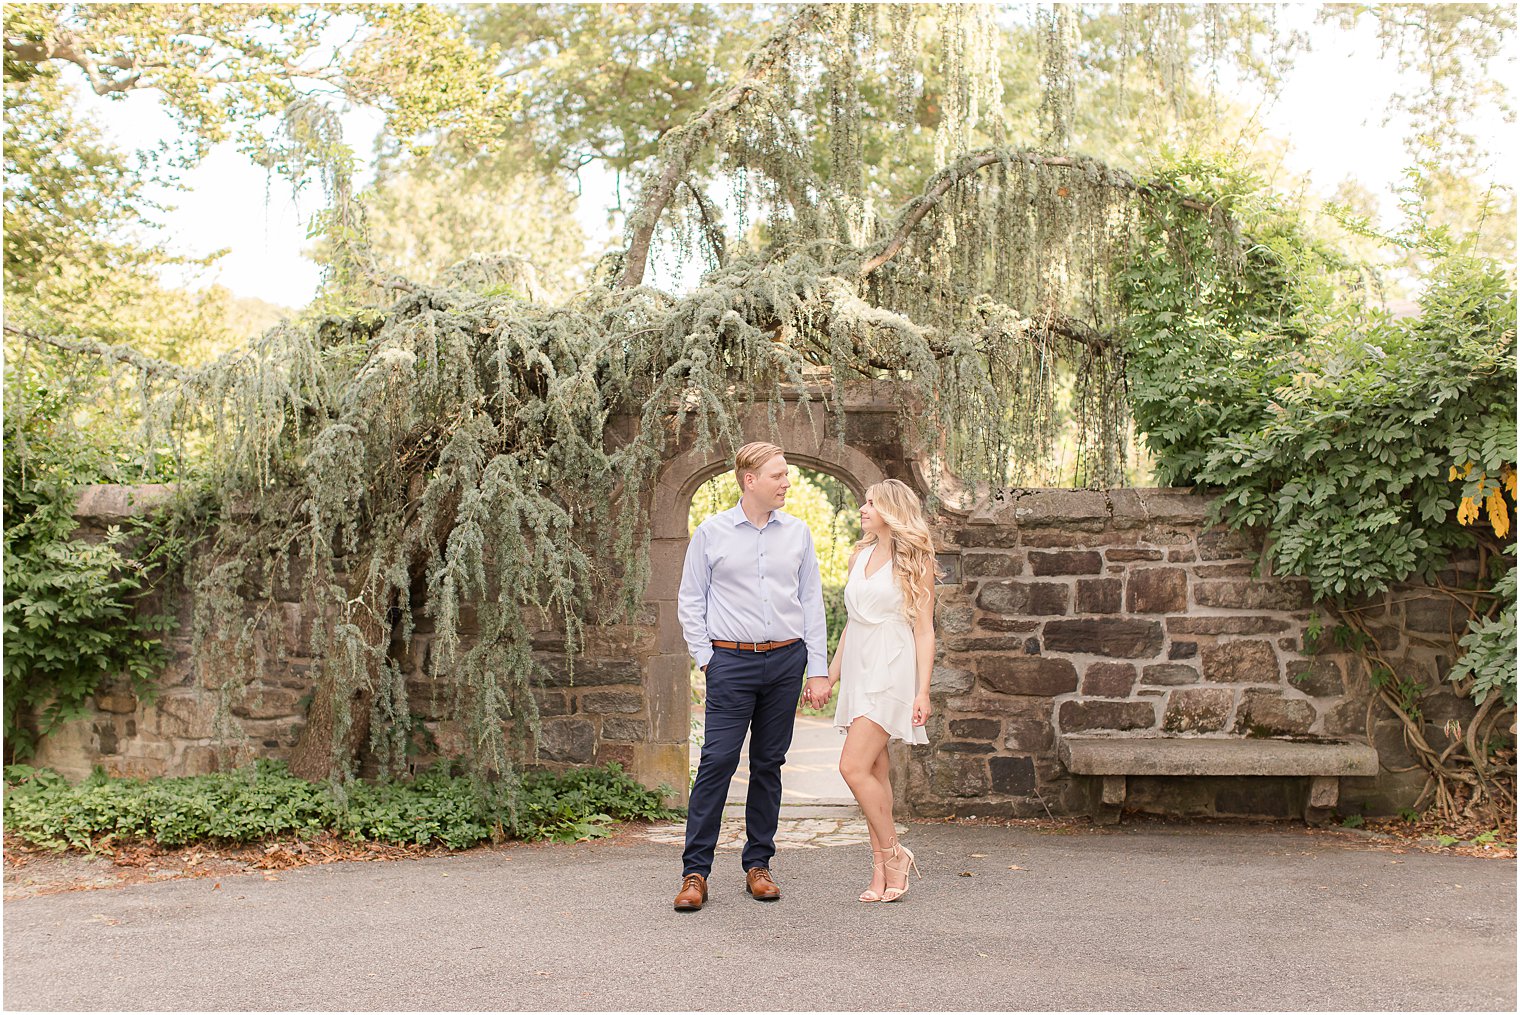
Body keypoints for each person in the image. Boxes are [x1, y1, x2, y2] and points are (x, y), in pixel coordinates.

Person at [673, 442, 829, 912]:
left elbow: (811, 603)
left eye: (786, 474)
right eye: (778, 475)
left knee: (768, 763)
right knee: (718, 761)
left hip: (786, 662)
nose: (787, 483)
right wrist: (707, 658)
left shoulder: (798, 534)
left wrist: (817, 669)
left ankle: (758, 864)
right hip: (731, 663)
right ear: (750, 480)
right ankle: (695, 873)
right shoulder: (712, 533)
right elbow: (690, 599)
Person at [816, 478, 939, 903]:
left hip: (892, 669)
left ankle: (895, 853)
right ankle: (881, 870)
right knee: (875, 771)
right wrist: (831, 676)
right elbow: (853, 621)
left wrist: (922, 691)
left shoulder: (916, 559)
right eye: (864, 502)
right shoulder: (860, 554)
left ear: (891, 510)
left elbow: (924, 631)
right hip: (858, 668)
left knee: (852, 767)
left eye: (871, 503)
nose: (863, 509)